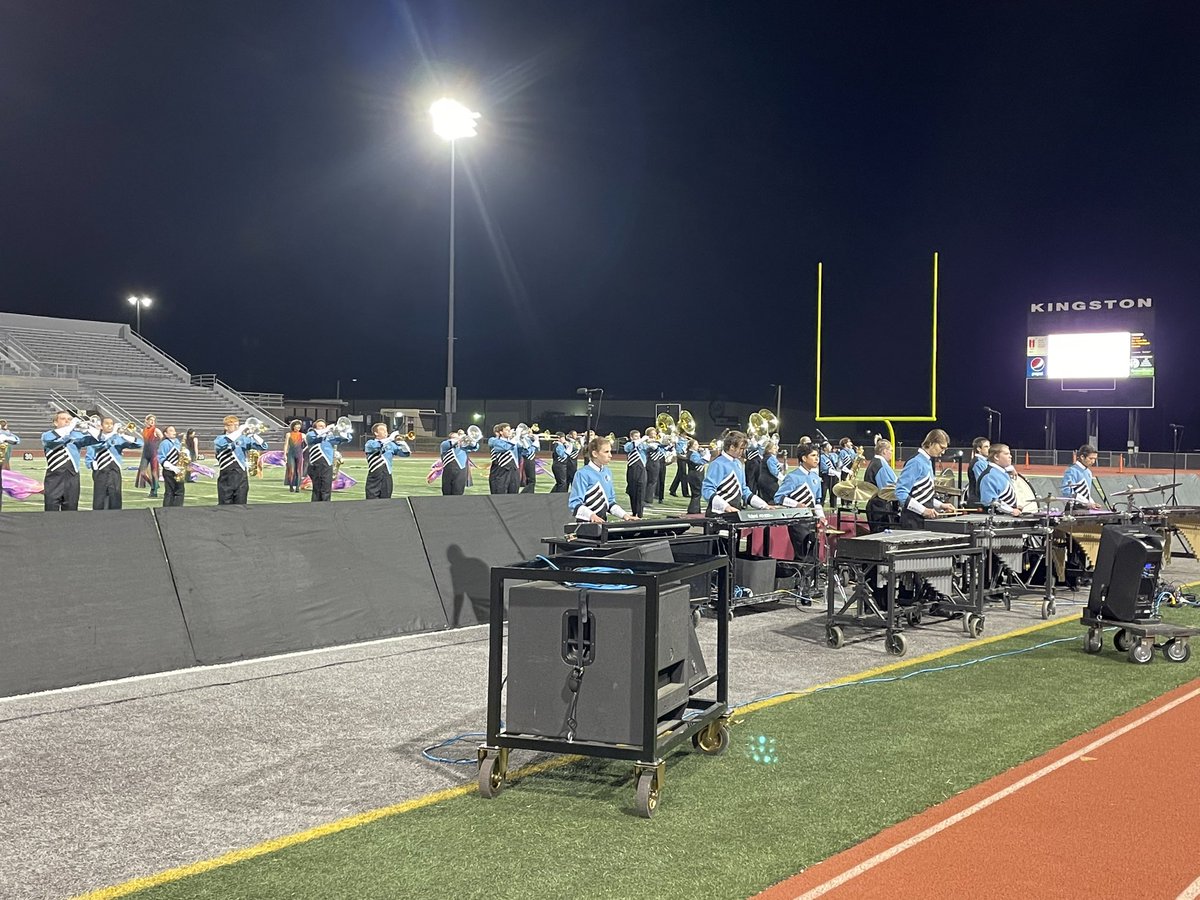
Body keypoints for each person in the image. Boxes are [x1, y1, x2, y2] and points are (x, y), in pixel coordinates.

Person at [894, 428, 958, 529]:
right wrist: (923, 510)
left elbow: (923, 495)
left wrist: (941, 505)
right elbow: (901, 493)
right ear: (932, 443)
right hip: (913, 522)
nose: (943, 452)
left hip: (923, 521)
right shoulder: (916, 462)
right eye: (942, 447)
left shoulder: (927, 461)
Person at [41, 411, 101, 511]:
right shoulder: (47, 435)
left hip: (72, 478)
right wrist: (70, 427)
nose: (67, 421)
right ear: (55, 423)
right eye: (63, 419)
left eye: (69, 419)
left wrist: (90, 428)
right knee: (51, 510)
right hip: (54, 478)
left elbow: (100, 439)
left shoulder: (76, 436)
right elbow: (54, 440)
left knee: (71, 510)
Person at [568, 435, 636, 523]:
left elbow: (610, 502)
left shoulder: (607, 472)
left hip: (603, 523)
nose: (610, 455)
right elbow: (574, 503)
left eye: (610, 451)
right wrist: (591, 515)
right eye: (606, 452)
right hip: (585, 524)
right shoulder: (582, 474)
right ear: (595, 454)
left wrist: (625, 515)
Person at [774, 442, 825, 560]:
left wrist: (821, 516)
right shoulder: (793, 477)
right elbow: (779, 497)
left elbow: (817, 501)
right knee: (802, 555)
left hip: (812, 520)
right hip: (798, 522)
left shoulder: (816, 478)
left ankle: (812, 578)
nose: (817, 458)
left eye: (817, 455)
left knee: (813, 555)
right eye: (813, 455)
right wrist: (796, 504)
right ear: (804, 458)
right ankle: (800, 578)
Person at [702, 430, 771, 514]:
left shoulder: (738, 463)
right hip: (718, 514)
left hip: (735, 512)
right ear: (731, 447)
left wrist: (764, 505)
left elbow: (744, 490)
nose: (742, 451)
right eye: (741, 448)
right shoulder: (717, 464)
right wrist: (725, 507)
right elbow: (707, 490)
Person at [86, 418, 144, 510]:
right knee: (100, 499)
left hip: (115, 472)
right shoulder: (95, 438)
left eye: (111, 424)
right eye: (107, 423)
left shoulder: (118, 438)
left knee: (115, 499)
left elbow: (140, 444)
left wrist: (124, 435)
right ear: (101, 426)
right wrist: (95, 467)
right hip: (100, 472)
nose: (109, 426)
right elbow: (89, 459)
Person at [214, 415, 267, 505]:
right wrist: (239, 431)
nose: (236, 427)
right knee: (224, 506)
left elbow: (263, 446)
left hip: (241, 476)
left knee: (241, 505)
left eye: (237, 425)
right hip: (227, 476)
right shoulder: (220, 438)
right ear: (226, 427)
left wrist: (254, 434)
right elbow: (223, 443)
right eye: (233, 425)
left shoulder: (243, 439)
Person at [305, 419, 350, 502]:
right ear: (315, 427)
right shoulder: (310, 434)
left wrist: (342, 431)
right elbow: (316, 437)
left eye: (324, 426)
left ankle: (326, 507)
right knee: (317, 489)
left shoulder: (328, 438)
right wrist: (327, 429)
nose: (323, 427)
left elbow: (346, 439)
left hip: (327, 466)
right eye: (320, 426)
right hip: (315, 465)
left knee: (326, 489)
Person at [364, 423, 411, 499]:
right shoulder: (370, 443)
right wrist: (390, 439)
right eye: (383, 430)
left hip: (387, 476)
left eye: (386, 430)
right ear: (376, 433)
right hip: (374, 476)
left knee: (387, 501)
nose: (386, 432)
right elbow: (377, 446)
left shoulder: (391, 445)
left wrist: (402, 443)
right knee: (371, 501)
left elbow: (406, 453)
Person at [864, 439, 899, 532]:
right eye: (890, 450)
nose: (892, 453)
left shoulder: (874, 463)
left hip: (875, 507)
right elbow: (889, 489)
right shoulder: (881, 465)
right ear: (884, 451)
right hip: (881, 510)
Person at [979, 443, 1023, 517]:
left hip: (1006, 516)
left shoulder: (1001, 472)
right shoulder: (989, 476)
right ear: (996, 457)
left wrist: (1014, 507)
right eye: (1006, 454)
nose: (1010, 456)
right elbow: (990, 501)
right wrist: (1011, 510)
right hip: (996, 519)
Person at [1061, 443, 1104, 509]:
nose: (1093, 461)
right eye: (1091, 458)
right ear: (1082, 457)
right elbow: (1067, 491)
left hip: (1085, 508)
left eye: (1095, 459)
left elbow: (1086, 493)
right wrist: (1086, 502)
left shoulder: (1088, 472)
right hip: (1074, 508)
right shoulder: (1072, 470)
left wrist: (1092, 503)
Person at [440, 429, 477, 496]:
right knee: (446, 491)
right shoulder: (445, 444)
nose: (457, 438)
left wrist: (472, 441)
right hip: (448, 470)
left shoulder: (463, 447)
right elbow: (450, 444)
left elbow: (475, 447)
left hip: (461, 470)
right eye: (454, 437)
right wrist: (460, 439)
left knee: (458, 491)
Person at [157, 425, 186, 507]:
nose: (174, 432)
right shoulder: (164, 443)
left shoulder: (177, 442)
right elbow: (161, 458)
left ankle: (178, 509)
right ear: (165, 434)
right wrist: (172, 467)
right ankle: (166, 510)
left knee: (180, 492)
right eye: (171, 430)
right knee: (169, 492)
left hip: (179, 470)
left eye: (174, 430)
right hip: (169, 471)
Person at [488, 423, 521, 494]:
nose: (509, 432)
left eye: (510, 430)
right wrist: (516, 437)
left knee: (514, 493)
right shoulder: (496, 441)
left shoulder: (513, 442)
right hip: (503, 470)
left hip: (514, 470)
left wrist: (523, 437)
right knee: (501, 492)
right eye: (506, 430)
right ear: (501, 432)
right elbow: (505, 447)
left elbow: (525, 449)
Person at [135, 414, 163, 498]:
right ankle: (153, 486)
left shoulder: (156, 430)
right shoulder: (142, 430)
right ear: (146, 421)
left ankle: (154, 492)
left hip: (153, 453)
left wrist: (157, 447)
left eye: (154, 420)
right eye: (151, 420)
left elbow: (162, 438)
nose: (152, 422)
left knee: (154, 473)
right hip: (145, 453)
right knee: (142, 473)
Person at [623, 430, 649, 517]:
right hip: (632, 470)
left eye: (639, 436)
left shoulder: (643, 445)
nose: (638, 438)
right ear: (631, 437)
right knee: (633, 492)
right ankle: (634, 512)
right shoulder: (628, 445)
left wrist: (669, 443)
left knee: (641, 491)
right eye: (636, 436)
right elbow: (628, 448)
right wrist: (641, 440)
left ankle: (640, 513)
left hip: (642, 470)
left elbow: (654, 448)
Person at [965, 436, 991, 507]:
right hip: (978, 501)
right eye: (986, 447)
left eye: (989, 446)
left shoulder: (984, 461)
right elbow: (984, 482)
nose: (989, 449)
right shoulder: (978, 463)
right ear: (979, 449)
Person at [685, 439, 708, 514]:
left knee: (697, 494)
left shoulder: (694, 453)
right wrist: (706, 455)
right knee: (696, 494)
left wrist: (702, 452)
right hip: (695, 475)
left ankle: (696, 510)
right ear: (692, 446)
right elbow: (699, 462)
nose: (698, 446)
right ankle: (693, 511)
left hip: (695, 474)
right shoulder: (692, 453)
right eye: (696, 444)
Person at [0, 420, 19, 511]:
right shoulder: (8, 434)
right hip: (5, 457)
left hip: (4, 456)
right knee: (6, 472)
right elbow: (17, 440)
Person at [283, 420, 306, 493]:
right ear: (293, 427)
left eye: (299, 427)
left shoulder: (302, 435)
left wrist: (304, 450)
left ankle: (297, 487)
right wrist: (284, 454)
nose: (298, 428)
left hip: (299, 454)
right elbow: (286, 444)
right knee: (291, 470)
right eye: (297, 427)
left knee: (299, 471)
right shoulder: (288, 434)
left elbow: (308, 444)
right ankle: (291, 486)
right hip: (291, 454)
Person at [644, 426, 665, 504]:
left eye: (655, 433)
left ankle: (647, 498)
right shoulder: (648, 442)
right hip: (651, 463)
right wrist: (661, 437)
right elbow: (656, 445)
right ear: (648, 434)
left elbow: (663, 446)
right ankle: (648, 500)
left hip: (656, 463)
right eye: (652, 433)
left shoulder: (654, 442)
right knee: (651, 481)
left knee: (653, 481)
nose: (654, 434)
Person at [756, 439, 781, 504]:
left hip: (762, 481)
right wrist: (783, 478)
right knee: (775, 498)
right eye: (774, 448)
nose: (776, 449)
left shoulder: (766, 457)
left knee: (765, 500)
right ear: (769, 450)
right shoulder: (770, 458)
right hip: (769, 482)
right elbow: (774, 471)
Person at [669, 431, 690, 498]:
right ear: (681, 434)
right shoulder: (678, 440)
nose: (685, 435)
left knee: (679, 475)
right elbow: (678, 450)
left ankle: (672, 490)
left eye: (686, 434)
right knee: (683, 475)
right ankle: (685, 493)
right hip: (681, 458)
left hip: (685, 457)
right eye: (684, 434)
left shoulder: (686, 440)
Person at [518, 429, 540, 494]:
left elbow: (537, 449)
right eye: (529, 433)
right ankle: (526, 494)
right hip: (528, 460)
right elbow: (529, 451)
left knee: (531, 480)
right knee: (531, 480)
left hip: (531, 460)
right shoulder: (524, 440)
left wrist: (536, 440)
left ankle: (530, 494)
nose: (531, 434)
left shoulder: (529, 440)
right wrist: (536, 441)